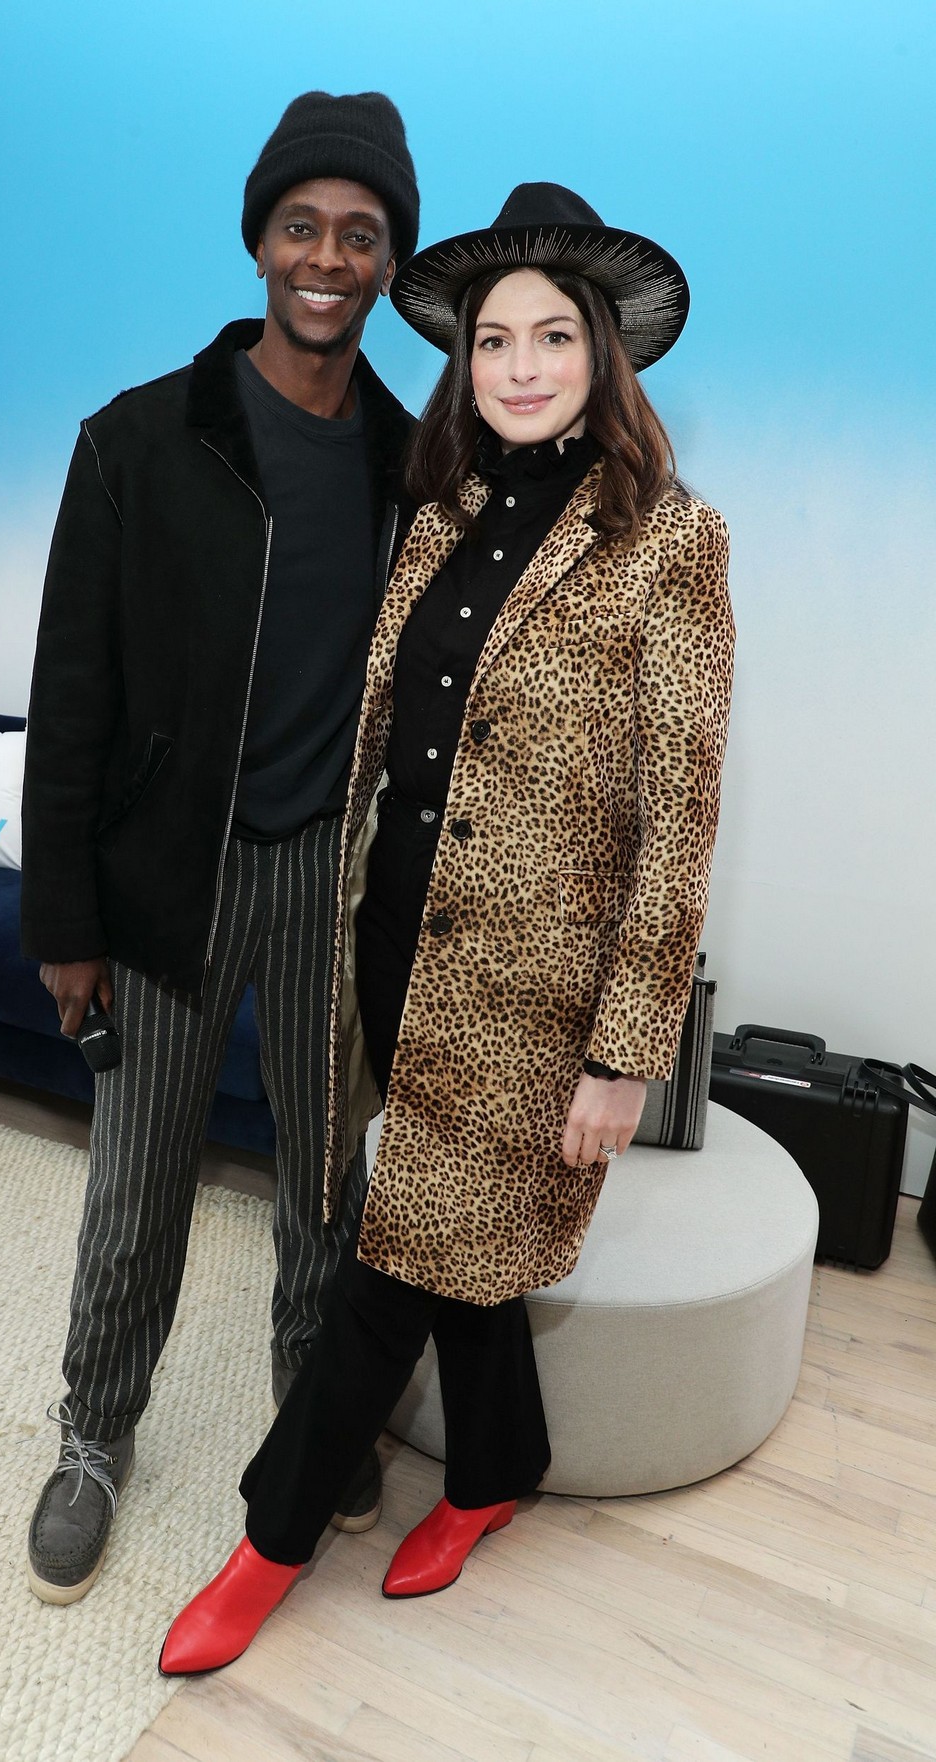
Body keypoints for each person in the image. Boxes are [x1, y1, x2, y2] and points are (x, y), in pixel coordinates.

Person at [159, 182, 735, 1674]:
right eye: (494, 340)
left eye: (554, 336)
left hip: (532, 1004)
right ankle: (496, 1467)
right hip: (393, 956)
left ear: (605, 356)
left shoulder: (671, 544)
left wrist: (625, 1053)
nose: (522, 365)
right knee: (461, 1256)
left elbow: (678, 822)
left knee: (387, 1266)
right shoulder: (439, 513)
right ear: (463, 362)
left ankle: (266, 1542)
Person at [20, 91, 420, 1605]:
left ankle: (313, 1416)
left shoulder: (406, 459)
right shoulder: (137, 442)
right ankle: (92, 1434)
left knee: (324, 1181)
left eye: (361, 235)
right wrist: (65, 920)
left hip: (332, 868)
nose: (328, 257)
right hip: (172, 877)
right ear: (261, 240)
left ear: (389, 264)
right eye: (304, 226)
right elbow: (72, 701)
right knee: (142, 1181)